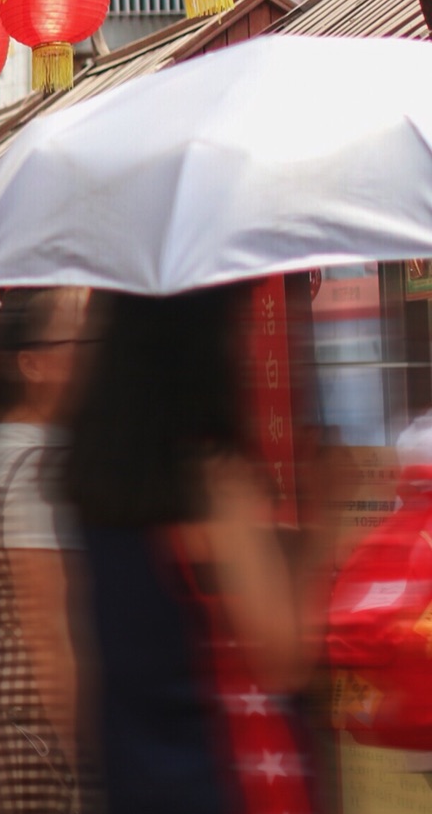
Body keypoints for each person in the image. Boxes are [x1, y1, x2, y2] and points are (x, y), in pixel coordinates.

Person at [64, 287, 329, 814]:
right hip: (229, 781)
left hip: (133, 780)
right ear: (199, 347)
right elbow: (284, 659)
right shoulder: (212, 481)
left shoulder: (91, 483)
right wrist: (326, 521)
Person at [0, 288, 94, 814]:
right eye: (74, 340)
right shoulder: (34, 468)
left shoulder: (20, 448)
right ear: (31, 364)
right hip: (39, 714)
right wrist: (82, 752)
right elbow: (47, 628)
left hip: (20, 709)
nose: (88, 352)